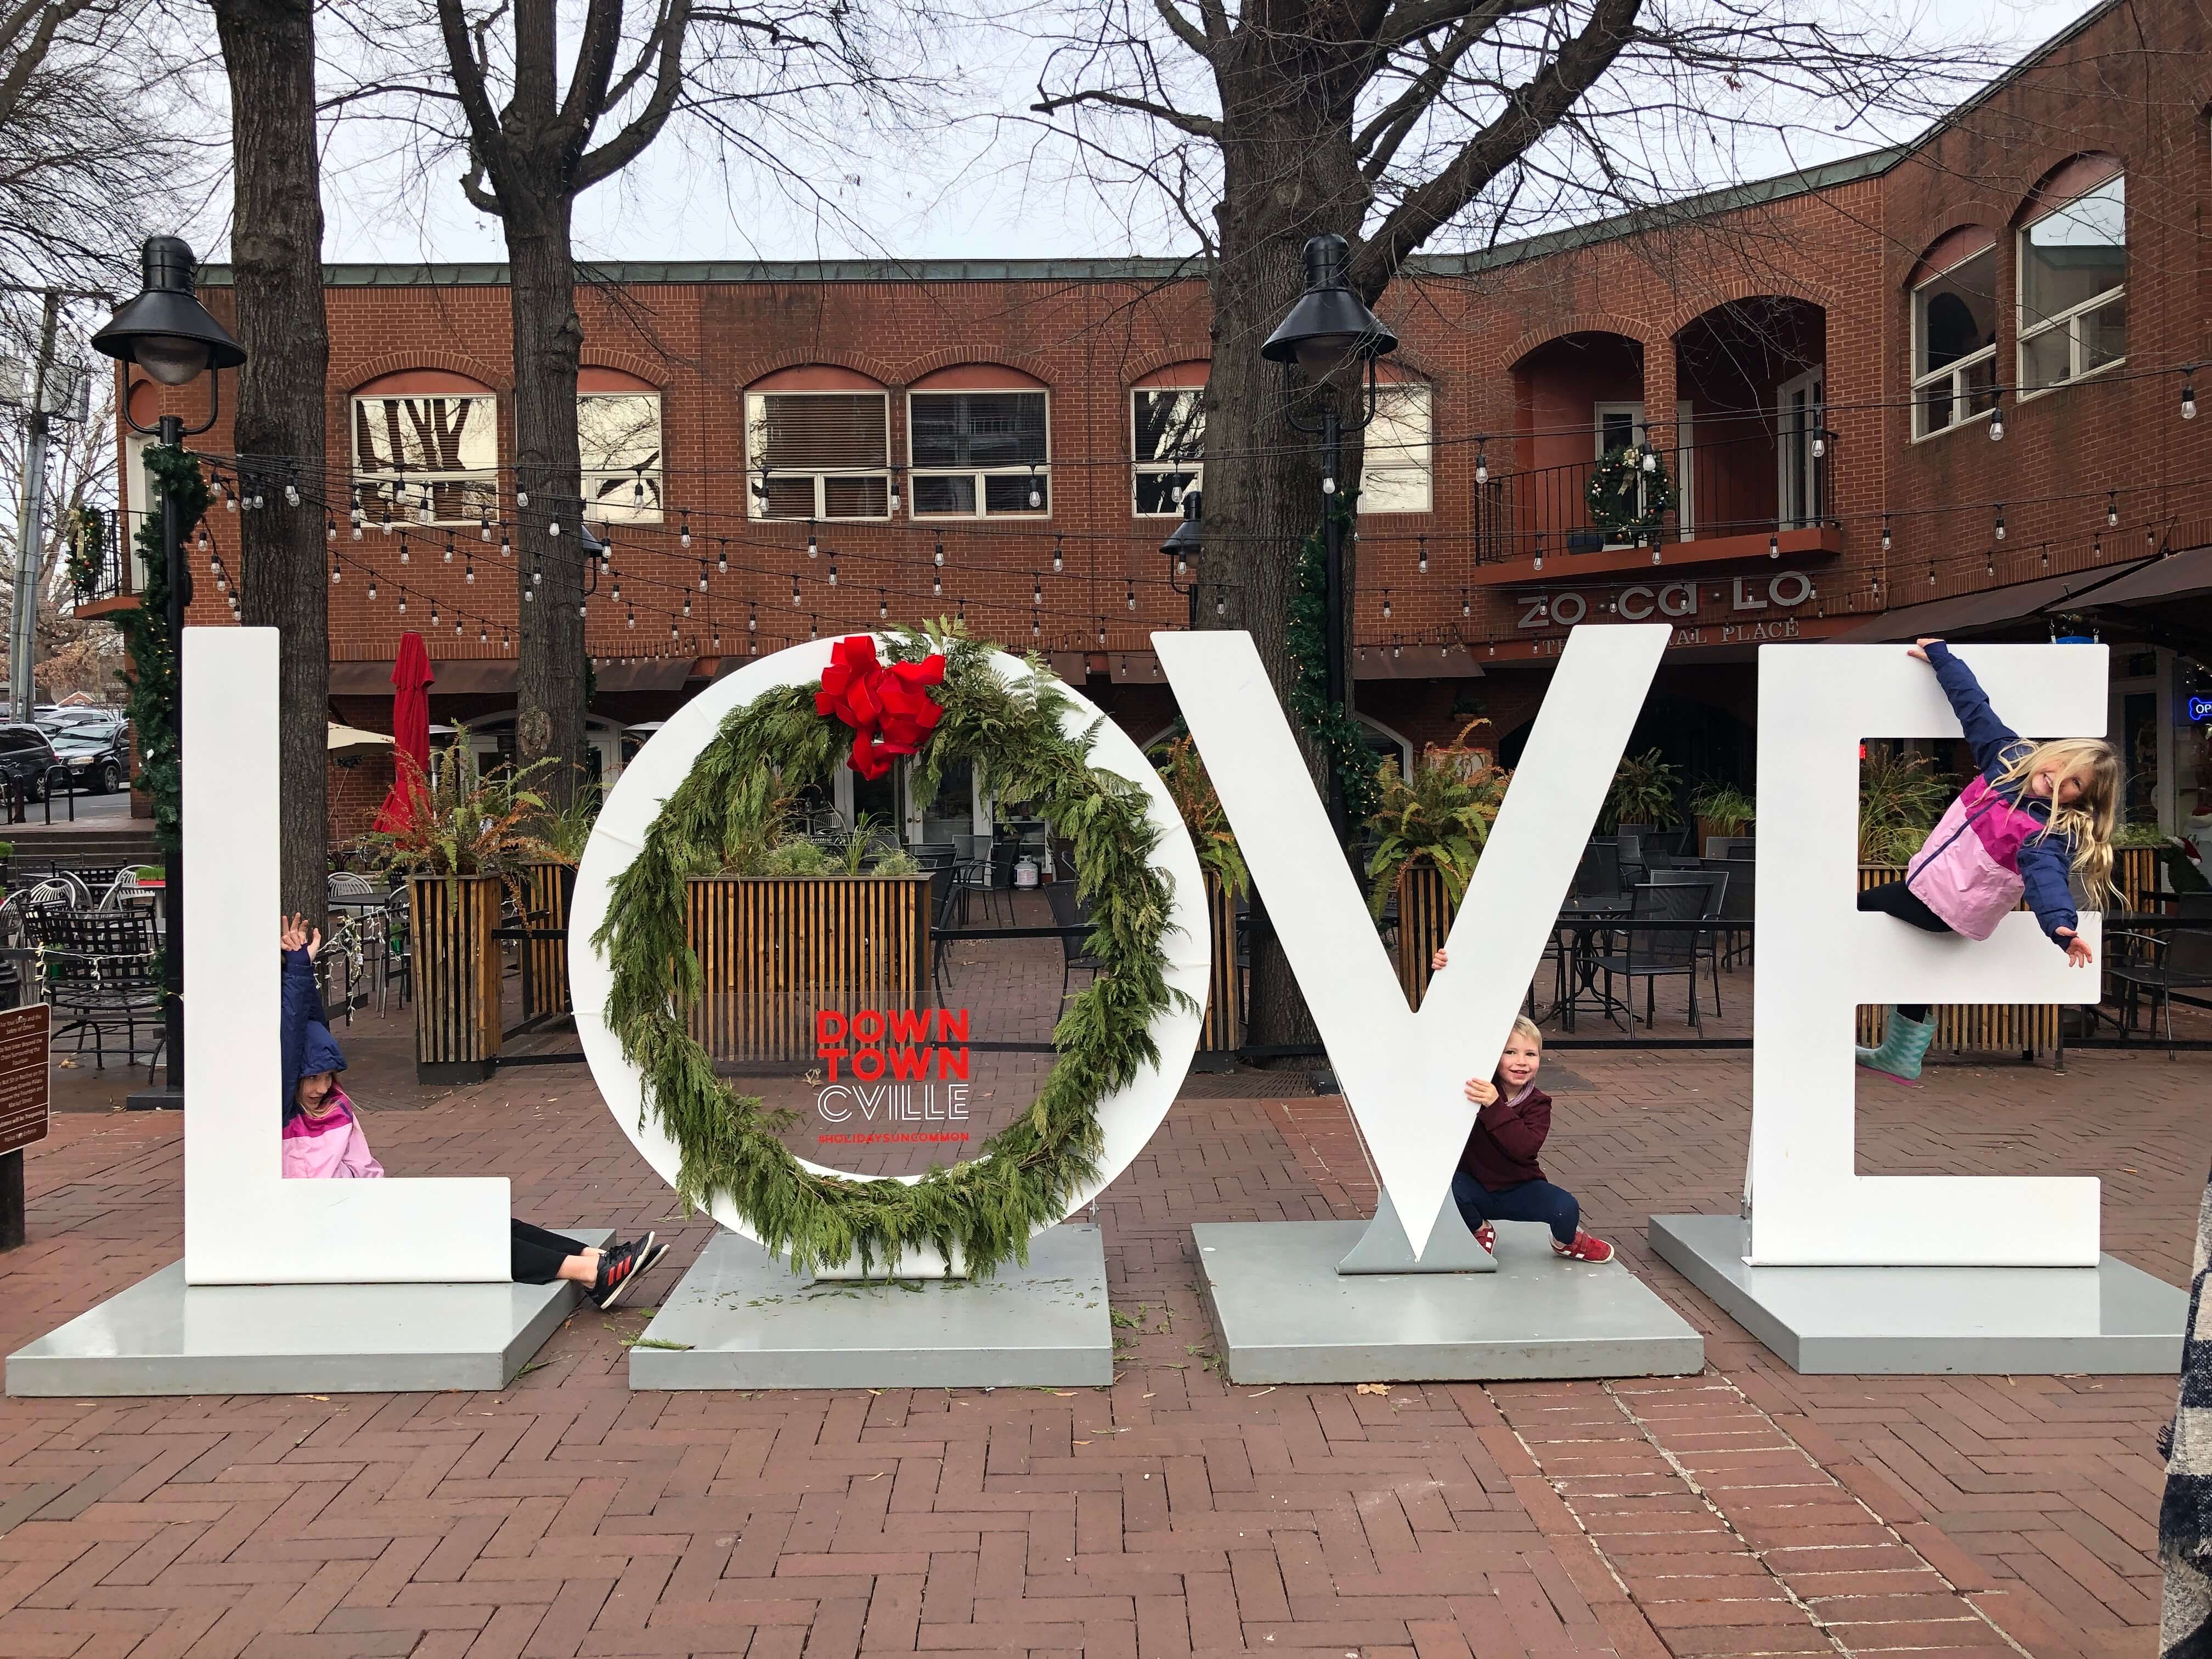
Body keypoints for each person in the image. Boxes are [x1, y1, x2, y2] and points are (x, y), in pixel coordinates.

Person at [279, 915, 666, 1309]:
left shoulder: (333, 1103)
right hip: (343, 1230)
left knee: (484, 1216)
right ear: (292, 1079)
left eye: (328, 1076)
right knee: (468, 1235)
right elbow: (291, 1042)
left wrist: (302, 965)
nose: (322, 1087)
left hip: (374, 1207)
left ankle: (600, 1260)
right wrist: (294, 968)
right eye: (311, 1079)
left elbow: (312, 1029)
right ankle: (589, 1274)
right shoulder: (285, 1114)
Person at [1855, 638, 2120, 1085]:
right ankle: (1900, 1054)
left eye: (2075, 784)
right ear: (2051, 751)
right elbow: (1973, 707)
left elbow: (2046, 879)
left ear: (2083, 798)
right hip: (1929, 890)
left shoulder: (2045, 831)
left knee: (1856, 910)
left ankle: (1855, 1022)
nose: (2058, 781)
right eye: (2063, 766)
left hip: (1947, 906)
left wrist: (2060, 926)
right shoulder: (2005, 759)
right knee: (1909, 958)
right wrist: (1941, 657)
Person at [1430, 949, 1613, 1263]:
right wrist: (1443, 977)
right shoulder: (1477, 1085)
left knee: (1565, 1207)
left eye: (1531, 1055)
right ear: (1494, 1056)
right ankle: (1479, 1229)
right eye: (1510, 1053)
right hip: (1475, 1186)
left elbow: (1523, 1148)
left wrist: (1494, 1105)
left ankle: (1567, 1242)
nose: (1521, 1062)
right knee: (1445, 1189)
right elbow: (1454, 1033)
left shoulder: (1538, 1103)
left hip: (1520, 1188)